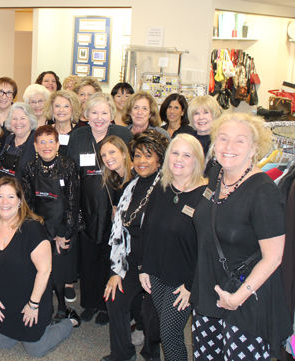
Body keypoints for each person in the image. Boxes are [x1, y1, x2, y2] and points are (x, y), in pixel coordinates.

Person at [190, 113, 291, 360]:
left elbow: (274, 256)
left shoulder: (264, 191)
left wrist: (237, 297)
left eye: (240, 141)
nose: (229, 147)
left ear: (255, 147)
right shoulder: (217, 174)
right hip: (208, 294)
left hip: (245, 301)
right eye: (223, 139)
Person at [0, 177, 79, 358]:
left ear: (19, 201)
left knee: (36, 350)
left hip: (32, 299)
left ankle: (68, 321)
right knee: (2, 343)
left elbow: (45, 270)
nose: (4, 202)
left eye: (10, 197)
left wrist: (33, 304)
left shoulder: (32, 229)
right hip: (3, 301)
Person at [139, 134, 207, 361]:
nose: (179, 159)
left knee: (170, 335)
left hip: (183, 282)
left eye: (186, 155)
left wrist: (192, 285)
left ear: (197, 160)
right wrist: (144, 267)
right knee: (165, 330)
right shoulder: (162, 187)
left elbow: (207, 248)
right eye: (175, 153)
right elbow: (147, 229)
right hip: (157, 273)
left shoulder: (206, 196)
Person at [102, 130, 169, 361]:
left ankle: (151, 355)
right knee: (114, 299)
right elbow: (120, 231)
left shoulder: (166, 188)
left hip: (157, 264)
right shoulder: (131, 186)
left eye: (148, 156)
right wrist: (115, 271)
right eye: (138, 156)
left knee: (151, 313)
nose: (142, 161)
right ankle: (121, 353)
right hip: (132, 261)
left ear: (159, 158)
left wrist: (147, 268)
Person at [66, 94, 132, 324]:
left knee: (109, 256)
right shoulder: (78, 136)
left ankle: (107, 305)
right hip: (86, 206)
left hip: (114, 206)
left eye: (104, 113)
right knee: (88, 257)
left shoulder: (123, 135)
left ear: (112, 115)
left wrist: (120, 204)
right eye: (94, 113)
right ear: (86, 114)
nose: (99, 118)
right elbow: (71, 171)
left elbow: (128, 170)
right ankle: (91, 302)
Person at [21, 126, 80, 323]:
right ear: (36, 146)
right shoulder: (29, 167)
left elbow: (73, 202)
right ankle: (43, 303)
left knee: (58, 271)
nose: (47, 146)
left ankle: (62, 306)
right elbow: (27, 202)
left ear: (57, 144)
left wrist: (63, 232)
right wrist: (37, 231)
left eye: (50, 141)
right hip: (39, 225)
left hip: (62, 225)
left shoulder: (68, 165)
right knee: (39, 268)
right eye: (42, 142)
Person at [0, 102, 37, 180]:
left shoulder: (36, 141)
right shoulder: (9, 139)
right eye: (14, 118)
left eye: (23, 118)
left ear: (31, 120)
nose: (18, 122)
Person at [44, 90, 81, 154]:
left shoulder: (80, 133)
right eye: (57, 106)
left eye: (66, 106)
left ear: (73, 109)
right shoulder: (44, 131)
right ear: (51, 109)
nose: (61, 110)